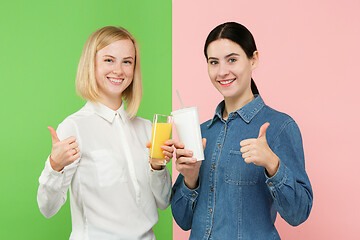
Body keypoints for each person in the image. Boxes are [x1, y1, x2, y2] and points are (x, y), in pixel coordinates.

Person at [170, 22, 313, 239]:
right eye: (213, 62)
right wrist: (190, 179)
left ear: (253, 59)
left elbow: (299, 214)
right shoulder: (200, 132)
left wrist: (273, 165)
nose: (222, 71)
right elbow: (182, 221)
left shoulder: (280, 127)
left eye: (232, 59)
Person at [37, 26, 173, 240]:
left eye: (127, 61)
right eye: (109, 60)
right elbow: (48, 208)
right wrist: (55, 166)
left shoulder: (147, 128)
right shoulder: (74, 128)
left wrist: (157, 167)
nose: (118, 70)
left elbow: (164, 202)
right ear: (91, 65)